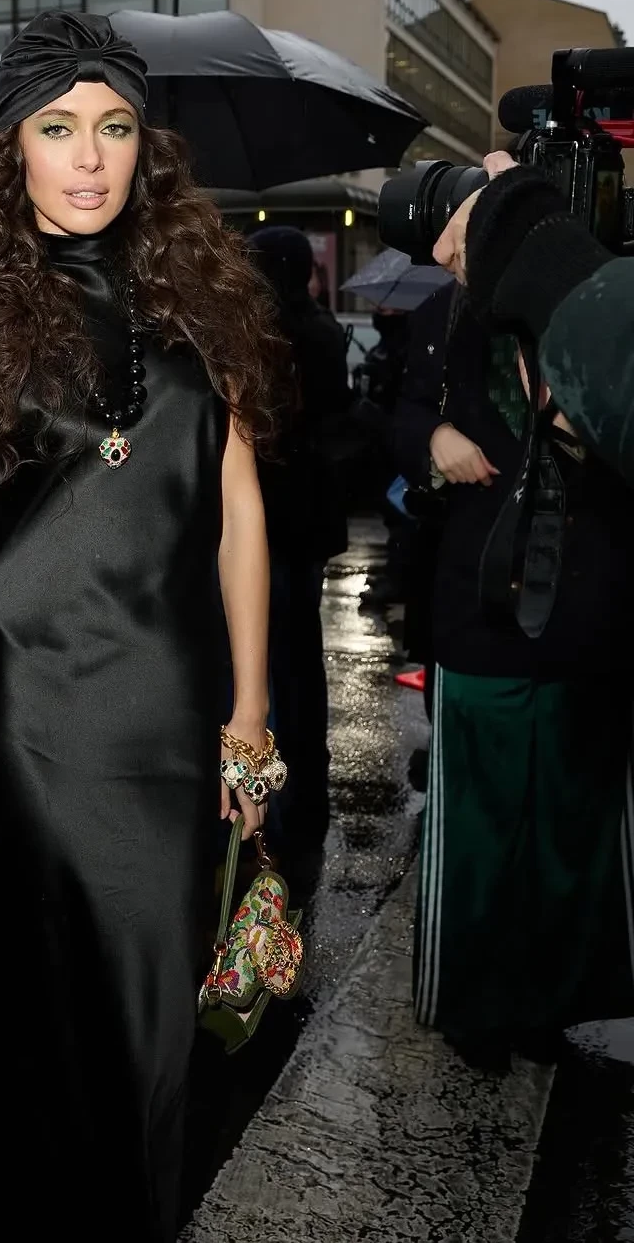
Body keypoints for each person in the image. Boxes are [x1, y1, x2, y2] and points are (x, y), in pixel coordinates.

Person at [0, 11, 289, 1241]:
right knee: (45, 1008)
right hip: (28, 706)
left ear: (144, 147)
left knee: (157, 1014)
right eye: (59, 128)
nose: (88, 157)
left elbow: (238, 518)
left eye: (114, 128)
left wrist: (251, 710)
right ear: (10, 149)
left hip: (170, 704)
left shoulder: (210, 308)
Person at [393, 273, 634, 1070]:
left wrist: (588, 420)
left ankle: (546, 1004)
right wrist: (433, 441)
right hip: (480, 615)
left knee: (567, 826)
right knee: (478, 825)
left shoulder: (608, 314)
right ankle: (475, 1008)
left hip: (588, 614)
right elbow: (400, 414)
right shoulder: (447, 315)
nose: (446, 246)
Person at [435, 151, 634, 487]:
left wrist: (532, 238)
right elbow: (414, 401)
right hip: (486, 502)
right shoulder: (453, 302)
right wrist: (435, 433)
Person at [249, 225, 350, 848]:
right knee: (300, 655)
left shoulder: (262, 336)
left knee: (265, 656)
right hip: (308, 520)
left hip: (269, 519)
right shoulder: (324, 331)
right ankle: (309, 776)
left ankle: (279, 797)